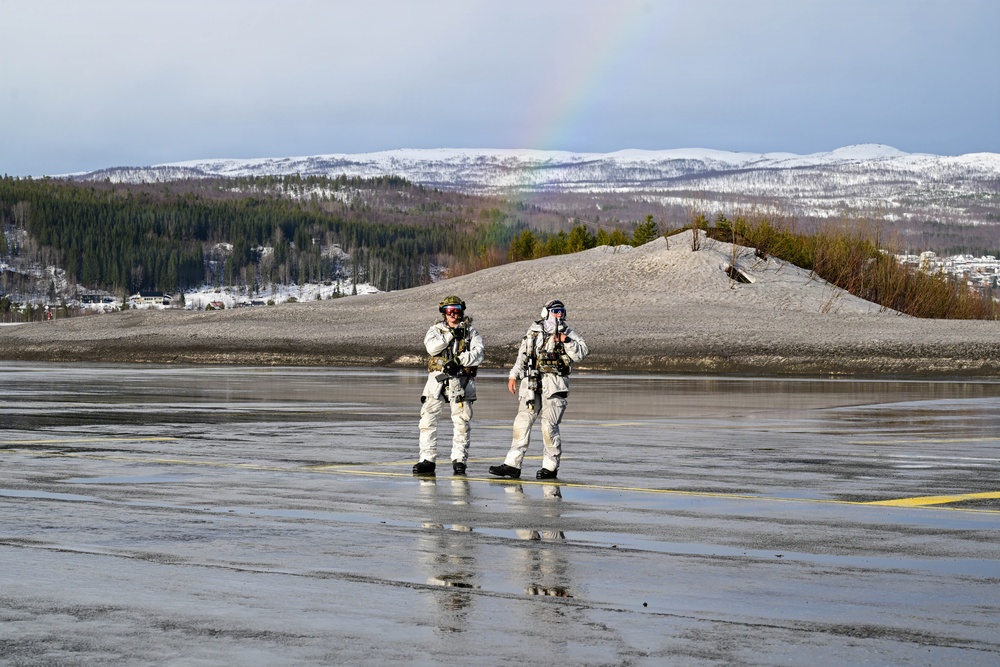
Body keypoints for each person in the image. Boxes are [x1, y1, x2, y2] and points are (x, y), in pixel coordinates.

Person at [489, 299, 588, 480]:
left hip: (554, 386)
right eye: (556, 311)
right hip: (531, 384)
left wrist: (566, 341)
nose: (559, 314)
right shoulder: (533, 332)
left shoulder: (568, 333)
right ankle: (512, 464)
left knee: (548, 427)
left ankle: (550, 467)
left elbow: (581, 353)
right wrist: (513, 375)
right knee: (521, 423)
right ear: (546, 312)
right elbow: (523, 356)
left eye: (562, 311)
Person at [414, 296, 485, 476]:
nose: (453, 313)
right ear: (444, 313)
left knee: (462, 422)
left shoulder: (471, 332)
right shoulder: (435, 330)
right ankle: (427, 460)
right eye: (449, 310)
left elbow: (479, 353)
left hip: (461, 381)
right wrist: (450, 335)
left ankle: (459, 460)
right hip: (437, 381)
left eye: (456, 309)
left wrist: (459, 360)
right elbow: (432, 349)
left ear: (462, 311)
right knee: (427, 421)